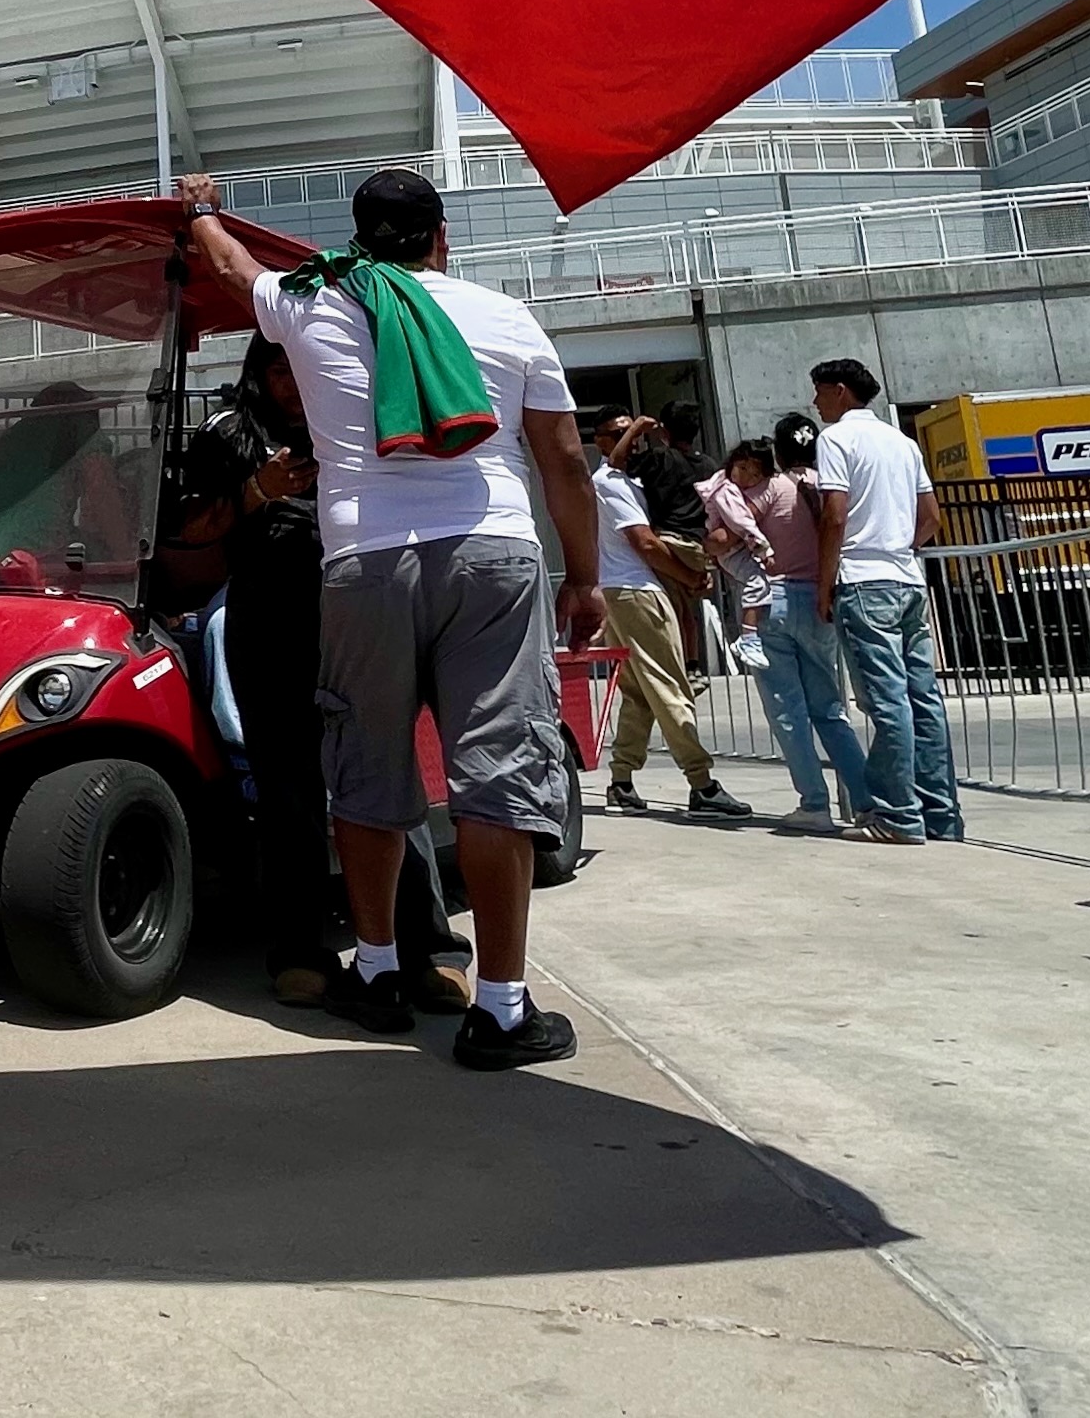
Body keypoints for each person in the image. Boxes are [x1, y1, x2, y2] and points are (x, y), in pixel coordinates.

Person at [180, 166, 605, 1070]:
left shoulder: (312, 302)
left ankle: (373, 972)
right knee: (493, 775)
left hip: (363, 559)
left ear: (359, 236)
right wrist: (586, 578)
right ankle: (500, 1005)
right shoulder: (505, 316)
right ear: (440, 238)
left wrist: (202, 206)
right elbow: (563, 460)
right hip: (491, 550)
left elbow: (225, 265)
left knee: (364, 768)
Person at [178, 339, 469, 1009]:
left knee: (385, 775)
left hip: (363, 612)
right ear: (257, 371)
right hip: (270, 620)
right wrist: (257, 490)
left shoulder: (358, 415)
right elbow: (186, 525)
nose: (288, 382)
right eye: (276, 369)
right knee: (287, 792)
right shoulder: (227, 431)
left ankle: (431, 948)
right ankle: (299, 951)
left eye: (297, 366)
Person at [812, 360, 962, 844]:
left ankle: (897, 812)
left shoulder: (836, 441)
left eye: (819, 393)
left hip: (861, 578)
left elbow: (834, 515)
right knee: (924, 700)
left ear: (839, 392)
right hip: (908, 579)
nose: (815, 404)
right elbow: (932, 518)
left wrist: (825, 580)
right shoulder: (903, 442)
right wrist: (902, 547)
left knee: (886, 701)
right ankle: (941, 814)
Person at [589, 412, 738, 816]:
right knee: (671, 685)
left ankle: (621, 780)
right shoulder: (610, 483)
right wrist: (690, 576)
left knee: (638, 694)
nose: (631, 440)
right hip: (637, 590)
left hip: (628, 589)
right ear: (601, 440)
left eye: (634, 432)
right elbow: (647, 544)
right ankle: (702, 783)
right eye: (620, 434)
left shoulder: (633, 479)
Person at [721, 431, 865, 832]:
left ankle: (814, 803)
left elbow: (724, 536)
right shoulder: (826, 486)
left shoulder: (770, 489)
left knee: (788, 711)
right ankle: (866, 800)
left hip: (774, 601)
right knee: (830, 709)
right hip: (819, 599)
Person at [0, 381, 134, 578]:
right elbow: (103, 498)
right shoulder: (79, 431)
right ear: (80, 411)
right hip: (36, 558)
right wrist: (126, 559)